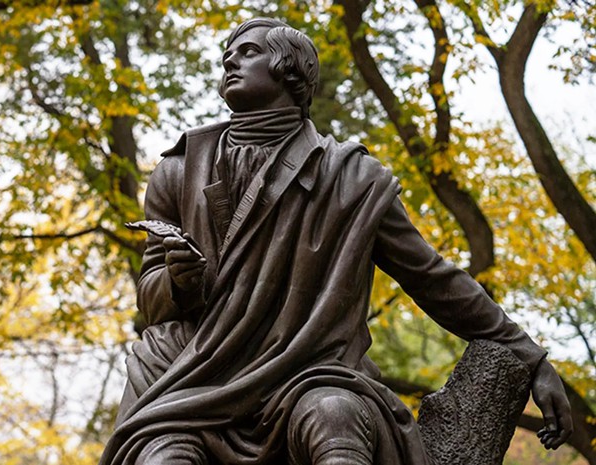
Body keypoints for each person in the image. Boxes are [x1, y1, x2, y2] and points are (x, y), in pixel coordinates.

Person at [100, 18, 573, 465]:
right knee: (161, 456)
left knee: (334, 415)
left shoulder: (353, 179)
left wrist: (529, 355)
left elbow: (430, 277)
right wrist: (179, 283)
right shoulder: (177, 171)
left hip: (304, 371)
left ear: (291, 69)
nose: (229, 62)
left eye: (247, 52)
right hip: (193, 374)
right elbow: (152, 300)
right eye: (227, 55)